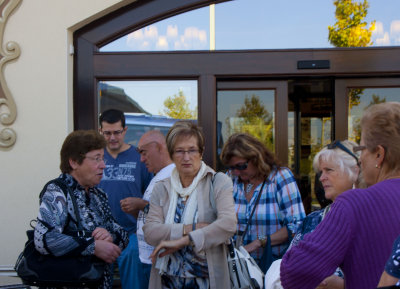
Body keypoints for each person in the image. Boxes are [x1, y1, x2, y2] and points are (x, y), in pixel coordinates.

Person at [281, 102, 400, 289]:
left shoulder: (355, 205)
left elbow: (295, 272)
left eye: (361, 150)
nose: (359, 159)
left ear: (379, 154)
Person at [143, 121, 237, 289]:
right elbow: (150, 232)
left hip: (207, 279)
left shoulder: (218, 182)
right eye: (179, 151)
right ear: (171, 155)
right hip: (167, 279)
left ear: (201, 152)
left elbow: (228, 225)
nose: (186, 157)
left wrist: (182, 241)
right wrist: (191, 228)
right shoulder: (162, 187)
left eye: (192, 150)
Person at [34, 130, 129, 289]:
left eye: (103, 158)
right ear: (74, 162)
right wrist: (93, 246)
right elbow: (45, 239)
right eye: (96, 158)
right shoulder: (57, 191)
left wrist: (109, 236)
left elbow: (123, 235)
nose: (103, 165)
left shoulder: (99, 195)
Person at [265, 140, 361, 289]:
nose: (322, 178)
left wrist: (343, 285)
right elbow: (289, 266)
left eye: (329, 170)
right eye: (321, 172)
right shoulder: (313, 220)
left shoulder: (372, 217)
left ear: (354, 171)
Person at [220, 132, 306, 268]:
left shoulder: (280, 177)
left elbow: (298, 226)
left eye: (241, 166)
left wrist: (259, 242)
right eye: (232, 167)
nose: (236, 172)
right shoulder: (230, 179)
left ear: (256, 158)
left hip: (273, 265)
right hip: (239, 268)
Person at [98, 109, 153, 289]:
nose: (112, 137)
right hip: (100, 232)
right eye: (107, 133)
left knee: (133, 265)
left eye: (117, 132)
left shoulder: (139, 158)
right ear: (100, 131)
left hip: (132, 231)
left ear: (125, 130)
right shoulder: (96, 157)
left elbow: (151, 194)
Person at [129, 130, 175, 289]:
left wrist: (141, 205)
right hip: (149, 258)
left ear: (160, 147)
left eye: (144, 152)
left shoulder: (171, 176)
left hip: (159, 260)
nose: (141, 159)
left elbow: (171, 214)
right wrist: (137, 209)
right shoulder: (158, 176)